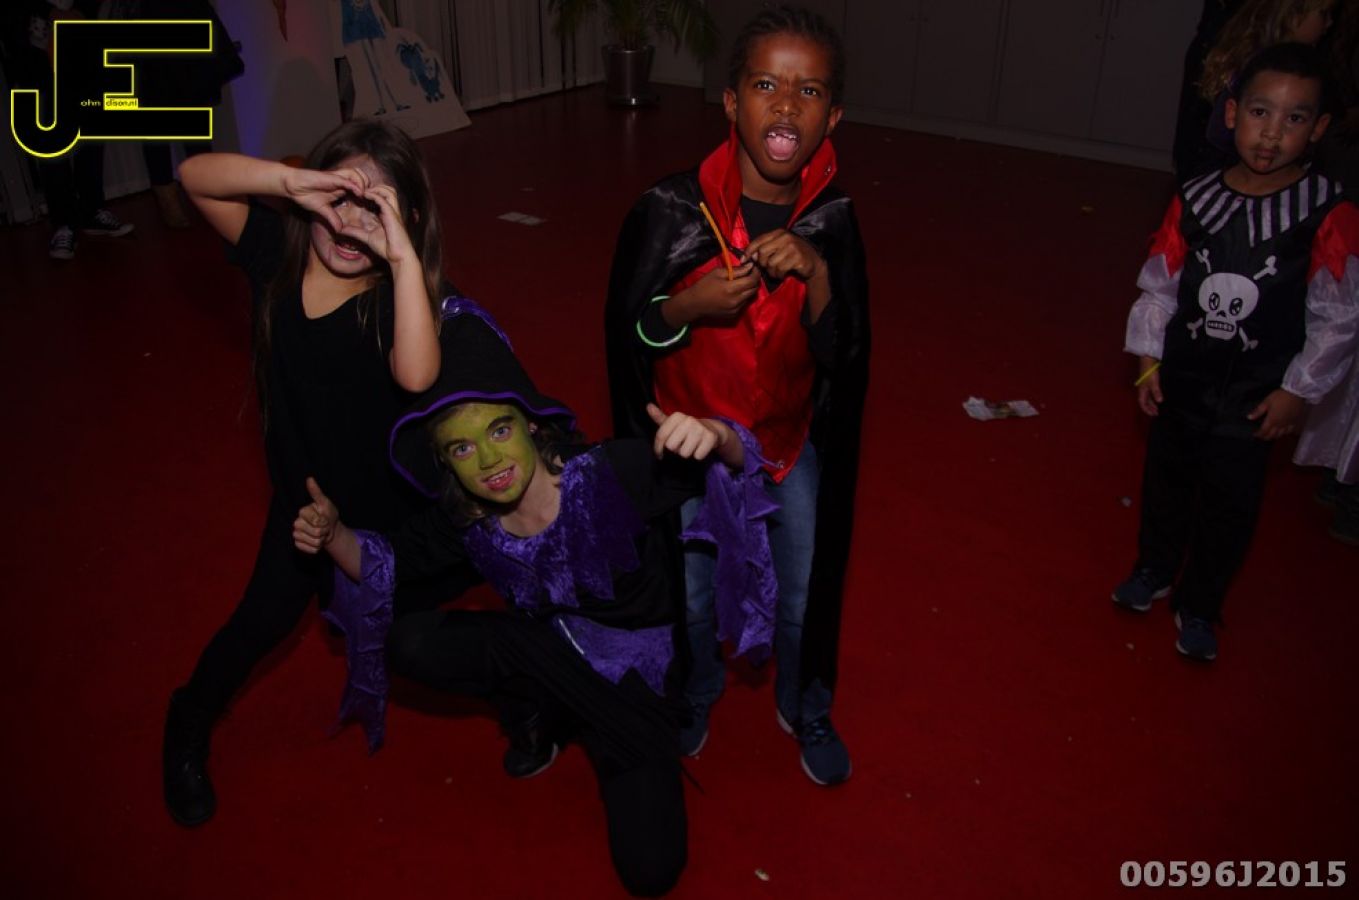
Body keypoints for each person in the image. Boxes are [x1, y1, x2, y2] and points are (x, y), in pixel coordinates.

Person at [290, 310, 776, 897]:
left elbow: (741, 468)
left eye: (499, 431)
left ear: (532, 425)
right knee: (410, 642)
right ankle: (533, 715)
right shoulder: (465, 520)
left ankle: (576, 722)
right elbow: (380, 563)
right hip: (540, 657)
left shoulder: (611, 474)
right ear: (446, 464)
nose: (488, 462)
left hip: (635, 678)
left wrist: (715, 435)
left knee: (652, 872)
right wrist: (332, 534)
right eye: (462, 448)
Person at [603, 4, 869, 785]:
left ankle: (803, 700)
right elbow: (631, 337)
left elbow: (842, 355)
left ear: (832, 116)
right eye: (764, 85)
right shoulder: (670, 211)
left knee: (802, 592)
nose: (785, 106)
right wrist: (687, 306)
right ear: (729, 101)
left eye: (808, 91)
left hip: (786, 446)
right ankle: (695, 691)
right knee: (689, 596)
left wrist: (816, 274)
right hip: (688, 450)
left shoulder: (832, 222)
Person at [162, 119, 451, 828]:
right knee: (259, 623)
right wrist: (291, 183)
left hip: (395, 514)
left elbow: (418, 373)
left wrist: (403, 258)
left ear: (407, 222)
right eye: (340, 196)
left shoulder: (398, 300)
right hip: (305, 511)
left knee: (433, 634)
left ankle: (529, 698)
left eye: (375, 207)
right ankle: (187, 720)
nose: (350, 222)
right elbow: (194, 176)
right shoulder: (277, 258)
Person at [1115, 43, 1359, 661]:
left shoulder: (1326, 211)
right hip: (1184, 381)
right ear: (1232, 114)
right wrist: (1148, 357)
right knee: (1166, 482)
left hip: (1255, 397)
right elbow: (1160, 283)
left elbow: (1337, 316)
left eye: (1295, 118)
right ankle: (1154, 567)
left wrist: (1298, 389)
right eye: (1259, 112)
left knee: (1230, 503)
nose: (1272, 133)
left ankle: (1201, 603)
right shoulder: (1196, 195)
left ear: (1319, 128)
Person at [0, 0, 136, 259]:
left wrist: (81, 14)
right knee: (51, 143)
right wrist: (50, 12)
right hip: (36, 59)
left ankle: (92, 211)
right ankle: (64, 222)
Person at [1195, 0, 1338, 168]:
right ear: (1293, 14)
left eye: (1294, 118)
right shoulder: (1255, 68)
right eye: (1323, 14)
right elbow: (1217, 132)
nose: (1273, 133)